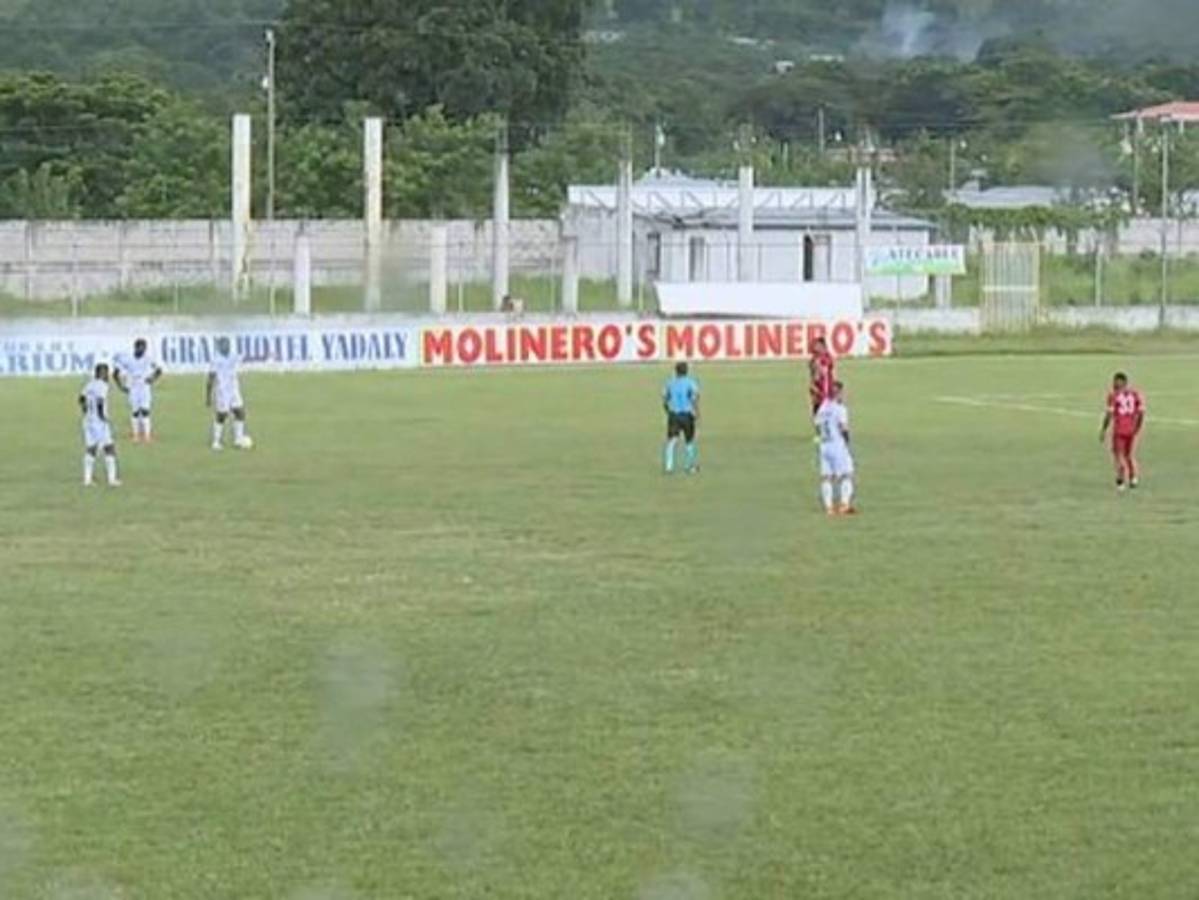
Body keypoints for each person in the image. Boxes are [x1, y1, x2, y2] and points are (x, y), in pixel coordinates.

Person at [814, 381, 855, 516]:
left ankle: (829, 507)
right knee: (846, 474)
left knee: (826, 477)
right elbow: (843, 427)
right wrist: (847, 440)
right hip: (837, 444)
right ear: (839, 393)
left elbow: (817, 426)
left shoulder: (823, 407)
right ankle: (844, 505)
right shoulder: (840, 408)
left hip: (824, 445)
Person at [206, 337, 254, 451]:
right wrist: (208, 396)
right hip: (222, 391)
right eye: (223, 345)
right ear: (219, 347)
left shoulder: (233, 356)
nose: (226, 347)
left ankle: (238, 439)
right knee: (222, 415)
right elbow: (210, 378)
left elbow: (245, 358)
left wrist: (265, 355)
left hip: (234, 389)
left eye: (227, 344)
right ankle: (216, 441)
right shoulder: (216, 360)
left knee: (240, 412)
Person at [1100, 372, 1145, 491]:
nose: (1114, 384)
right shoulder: (1135, 394)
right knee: (1129, 454)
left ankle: (1120, 481)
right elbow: (1141, 412)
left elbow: (1109, 414)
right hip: (1131, 429)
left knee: (1118, 455)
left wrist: (1103, 429)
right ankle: (1133, 478)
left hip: (1119, 430)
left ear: (1122, 382)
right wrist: (1138, 427)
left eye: (1116, 381)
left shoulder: (1113, 396)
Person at [79, 362, 121, 487]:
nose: (108, 375)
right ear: (102, 373)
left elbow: (81, 398)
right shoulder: (102, 386)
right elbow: (100, 401)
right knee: (109, 448)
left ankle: (87, 480)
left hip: (88, 420)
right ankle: (112, 480)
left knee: (91, 448)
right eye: (106, 372)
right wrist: (102, 416)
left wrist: (86, 410)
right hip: (98, 421)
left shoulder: (89, 384)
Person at [114, 338, 163, 443]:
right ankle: (135, 435)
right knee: (135, 412)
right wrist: (120, 386)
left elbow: (159, 370)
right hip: (133, 387)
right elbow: (115, 373)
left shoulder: (148, 358)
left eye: (144, 348)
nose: (143, 351)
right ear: (136, 347)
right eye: (141, 348)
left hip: (144, 387)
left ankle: (147, 436)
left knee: (145, 410)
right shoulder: (127, 359)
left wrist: (152, 379)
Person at [662, 361, 700, 475]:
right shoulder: (691, 383)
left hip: (674, 414)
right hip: (687, 415)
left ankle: (669, 466)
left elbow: (665, 399)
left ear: (676, 371)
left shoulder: (670, 383)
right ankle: (689, 466)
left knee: (672, 441)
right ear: (686, 371)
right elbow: (694, 398)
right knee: (689, 441)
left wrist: (667, 411)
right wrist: (697, 412)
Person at [808, 336, 836, 416]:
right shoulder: (814, 359)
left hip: (826, 392)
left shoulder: (827, 357)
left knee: (827, 417)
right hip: (817, 391)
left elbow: (827, 372)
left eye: (817, 345)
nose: (815, 347)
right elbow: (814, 375)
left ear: (822, 346)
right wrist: (812, 386)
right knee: (817, 417)